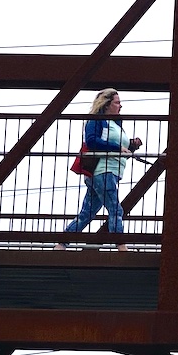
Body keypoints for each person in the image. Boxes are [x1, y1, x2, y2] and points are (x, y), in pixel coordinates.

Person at [57, 88, 141, 251]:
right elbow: (91, 141)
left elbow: (116, 146)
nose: (120, 106)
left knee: (87, 214)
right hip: (103, 170)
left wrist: (131, 145)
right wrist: (118, 148)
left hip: (111, 171)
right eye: (117, 102)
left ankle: (61, 244)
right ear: (107, 104)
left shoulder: (115, 124)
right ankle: (121, 245)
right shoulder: (97, 120)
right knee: (115, 208)